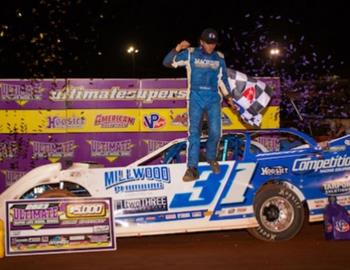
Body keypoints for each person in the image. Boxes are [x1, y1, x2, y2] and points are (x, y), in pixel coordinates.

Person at [163, 28, 236, 181]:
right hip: (195, 98)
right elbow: (167, 62)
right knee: (194, 133)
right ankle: (192, 168)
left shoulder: (219, 57)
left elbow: (223, 80)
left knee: (216, 132)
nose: (211, 46)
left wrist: (229, 98)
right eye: (208, 43)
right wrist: (178, 48)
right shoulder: (190, 54)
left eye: (213, 43)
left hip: (213, 99)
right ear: (201, 42)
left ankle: (211, 158)